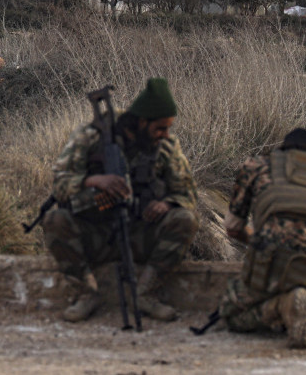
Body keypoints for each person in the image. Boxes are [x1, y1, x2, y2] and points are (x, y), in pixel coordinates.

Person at [41, 78, 198, 323]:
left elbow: (187, 192)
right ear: (142, 121)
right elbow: (59, 183)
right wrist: (93, 181)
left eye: (168, 128)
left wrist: (168, 204)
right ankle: (86, 293)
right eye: (160, 128)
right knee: (55, 220)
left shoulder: (166, 145)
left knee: (184, 219)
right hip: (96, 233)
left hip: (139, 232)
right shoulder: (92, 135)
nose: (165, 134)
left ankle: (146, 294)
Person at [218, 128, 306, 349]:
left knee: (231, 314)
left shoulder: (257, 165)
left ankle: (281, 306)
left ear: (283, 148)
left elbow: (232, 227)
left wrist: (256, 241)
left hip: (273, 257)